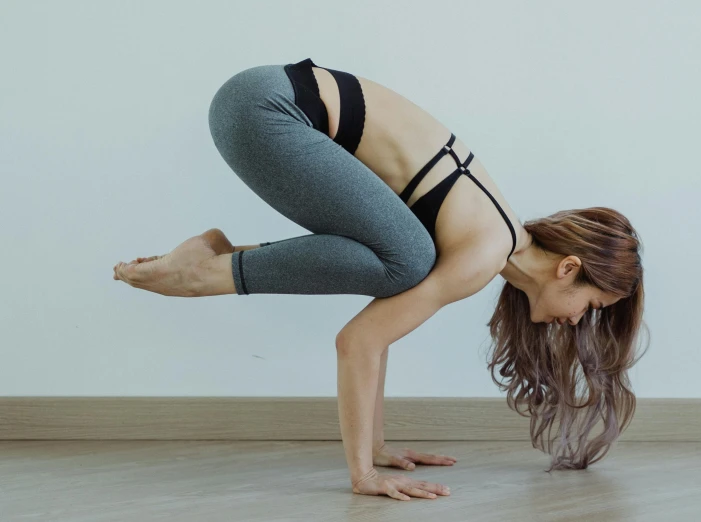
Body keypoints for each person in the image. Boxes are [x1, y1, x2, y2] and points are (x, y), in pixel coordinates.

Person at [113, 58, 648, 501]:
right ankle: (206, 272)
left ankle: (214, 256)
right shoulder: (485, 252)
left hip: (261, 101)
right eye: (592, 304)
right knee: (408, 260)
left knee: (405, 262)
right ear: (569, 267)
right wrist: (363, 477)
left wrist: (376, 444)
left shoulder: (494, 236)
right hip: (266, 111)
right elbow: (359, 341)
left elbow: (382, 320)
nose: (579, 319)